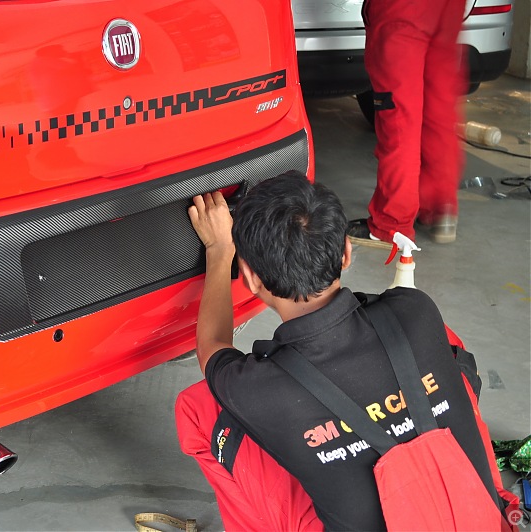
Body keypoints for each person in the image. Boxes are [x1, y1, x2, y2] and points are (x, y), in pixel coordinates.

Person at [175, 172, 514, 530]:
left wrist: (218, 250)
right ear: (347, 253)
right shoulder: (416, 310)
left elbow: (212, 347)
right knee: (443, 341)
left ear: (251, 278)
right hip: (475, 517)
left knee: (200, 408)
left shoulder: (258, 387)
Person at [346, 0, 466, 248]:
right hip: (446, 7)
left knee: (400, 119)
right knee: (440, 109)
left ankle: (392, 225)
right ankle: (440, 206)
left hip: (403, 9)